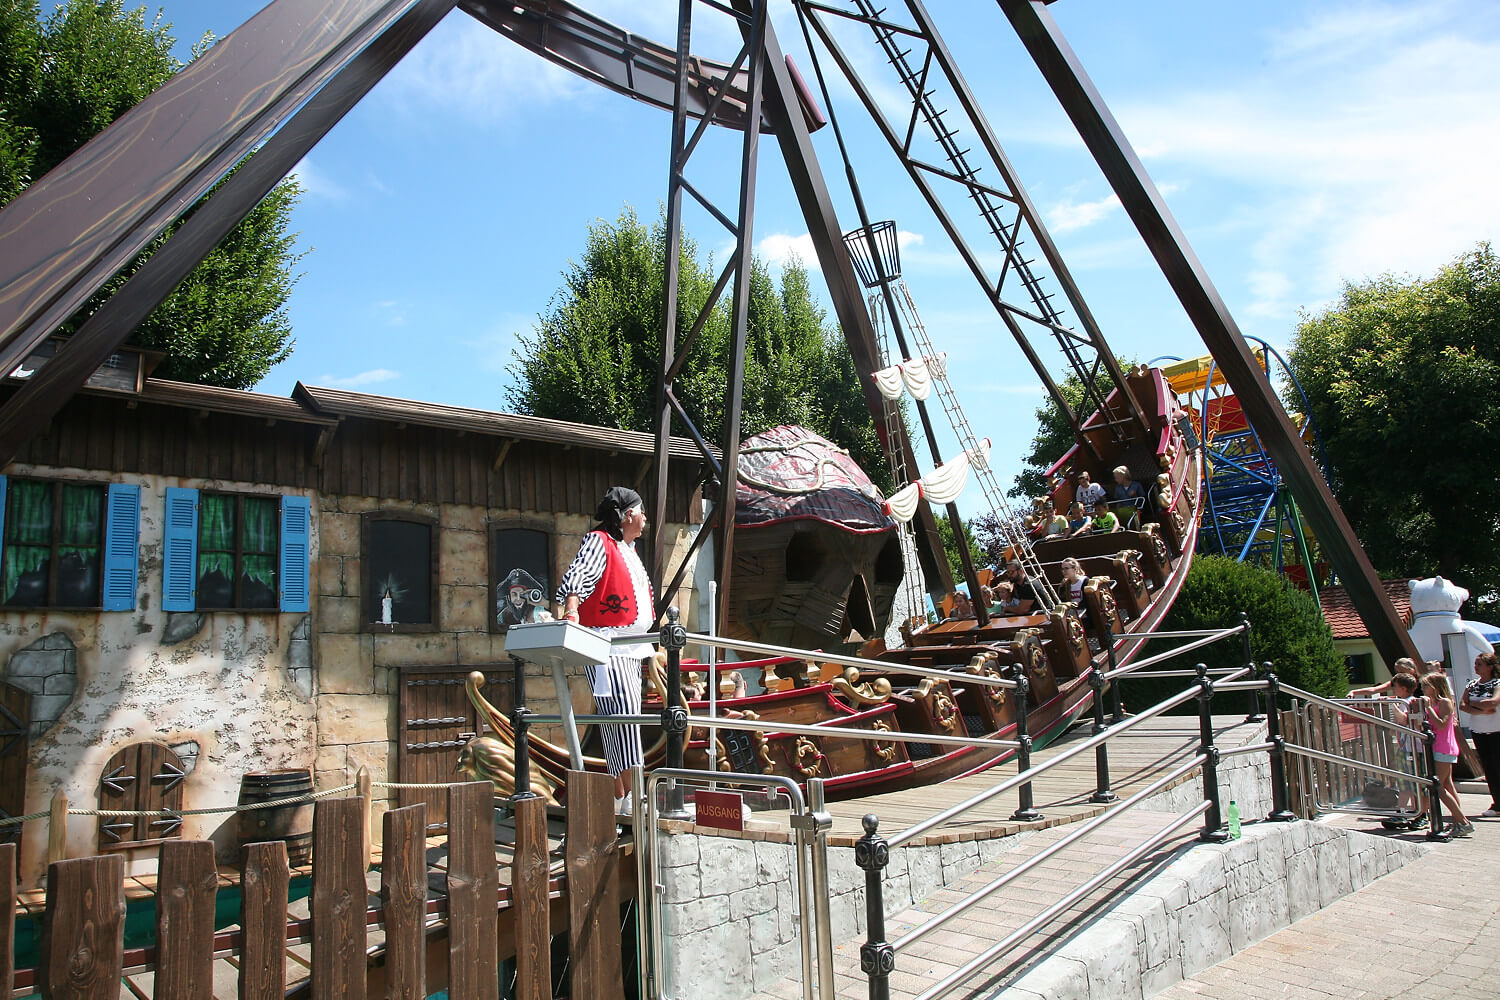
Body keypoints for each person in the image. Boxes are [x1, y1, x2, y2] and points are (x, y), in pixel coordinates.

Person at [556, 486, 656, 814]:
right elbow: (579, 576)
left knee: (618, 721)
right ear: (628, 515)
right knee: (624, 718)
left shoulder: (626, 548)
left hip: (628, 646)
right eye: (641, 512)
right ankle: (635, 795)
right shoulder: (600, 541)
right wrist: (571, 611)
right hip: (607, 643)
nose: (645, 519)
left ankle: (622, 797)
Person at [1421, 671, 1472, 836]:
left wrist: (1428, 708)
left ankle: (1463, 822)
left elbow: (1441, 725)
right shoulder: (1436, 702)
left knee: (1438, 787)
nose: (1423, 688)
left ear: (1435, 687)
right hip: (1439, 748)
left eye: (1426, 685)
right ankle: (1458, 821)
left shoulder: (1444, 702)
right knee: (1447, 785)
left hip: (1443, 748)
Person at [1460, 652, 1500, 818]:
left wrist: (1475, 705)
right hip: (1478, 731)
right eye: (1476, 664)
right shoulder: (1473, 684)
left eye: (1480, 664)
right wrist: (1482, 709)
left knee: (1498, 765)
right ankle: (1497, 802)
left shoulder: (1497, 683)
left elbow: (1493, 702)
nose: (1476, 667)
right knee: (1489, 767)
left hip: (1496, 730)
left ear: (1490, 667)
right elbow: (1462, 704)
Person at [1350, 657, 1418, 699]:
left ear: (1412, 670)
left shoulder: (1421, 681)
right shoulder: (1397, 682)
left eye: (1402, 672)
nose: (1399, 674)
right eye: (1398, 672)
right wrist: (1354, 692)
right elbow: (1374, 690)